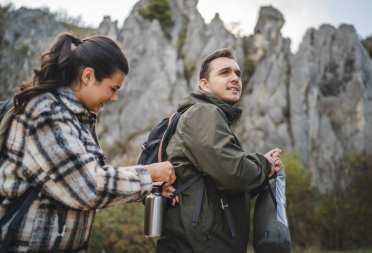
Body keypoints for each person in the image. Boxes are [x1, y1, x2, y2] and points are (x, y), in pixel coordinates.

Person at [0, 33, 175, 252]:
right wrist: (149, 175)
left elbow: (93, 177)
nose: (114, 98)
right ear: (88, 76)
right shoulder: (45, 113)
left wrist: (147, 188)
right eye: (113, 88)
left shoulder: (78, 118)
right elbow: (88, 187)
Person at [156, 48, 283, 253]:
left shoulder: (208, 116)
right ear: (204, 84)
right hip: (201, 244)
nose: (234, 78)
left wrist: (261, 172)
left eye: (237, 74)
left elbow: (222, 186)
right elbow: (233, 173)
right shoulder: (204, 112)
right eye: (225, 73)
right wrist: (264, 164)